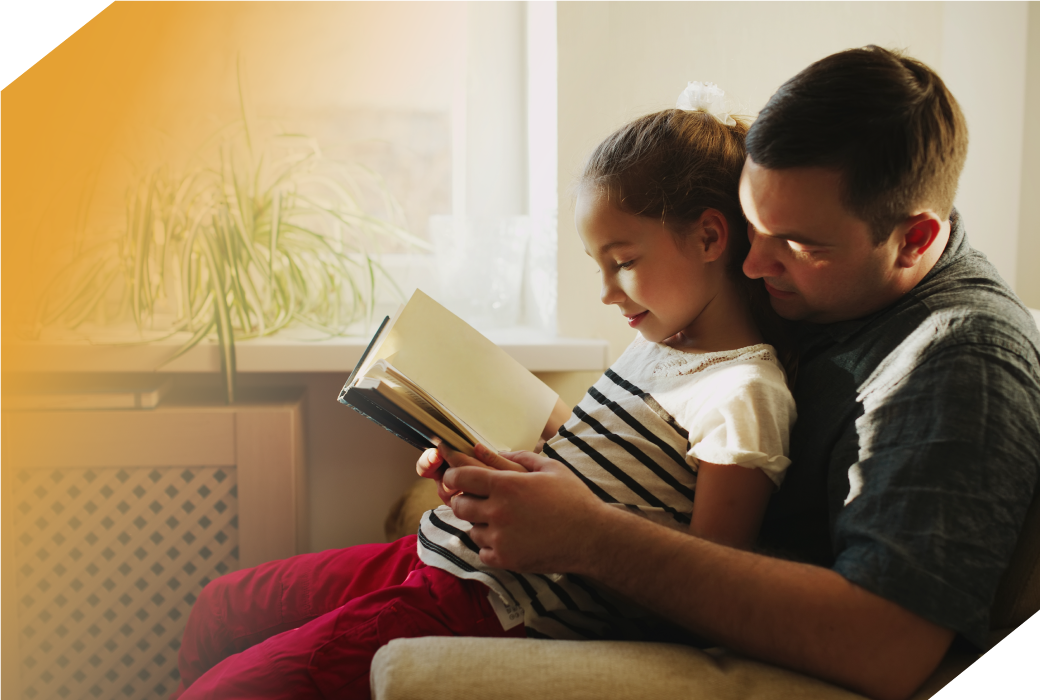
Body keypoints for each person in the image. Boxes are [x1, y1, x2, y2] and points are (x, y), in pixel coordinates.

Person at [430, 46, 1040, 700]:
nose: (751, 266)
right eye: (753, 226)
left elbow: (885, 646)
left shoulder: (959, 358)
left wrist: (589, 536)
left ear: (915, 239)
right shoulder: (822, 287)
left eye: (801, 245)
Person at [170, 84, 797, 699]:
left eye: (623, 261)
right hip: (435, 549)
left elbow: (713, 581)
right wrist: (476, 449)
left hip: (485, 602)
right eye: (597, 264)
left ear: (710, 238)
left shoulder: (745, 392)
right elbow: (593, 461)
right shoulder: (658, 343)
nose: (606, 292)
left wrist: (567, 524)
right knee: (220, 607)